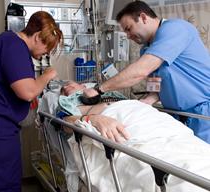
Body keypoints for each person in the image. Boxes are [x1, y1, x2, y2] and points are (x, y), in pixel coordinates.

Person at [83, 0, 210, 143]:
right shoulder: (147, 49)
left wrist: (99, 90)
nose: (128, 36)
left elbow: (141, 71)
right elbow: (155, 88)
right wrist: (137, 107)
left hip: (203, 115)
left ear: (143, 17)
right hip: (178, 116)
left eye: (129, 28)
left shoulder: (175, 29)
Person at [52, 81, 210, 192]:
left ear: (83, 85)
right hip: (116, 119)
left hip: (145, 115)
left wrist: (145, 102)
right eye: (64, 90)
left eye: (71, 84)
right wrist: (93, 118)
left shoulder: (111, 94)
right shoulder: (69, 105)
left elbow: (147, 89)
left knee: (190, 151)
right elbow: (65, 123)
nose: (67, 88)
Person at [0, 11, 63, 191]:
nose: (45, 54)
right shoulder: (13, 46)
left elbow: (10, 88)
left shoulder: (8, 43)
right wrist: (48, 75)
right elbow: (27, 91)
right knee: (2, 185)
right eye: (47, 48)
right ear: (37, 37)